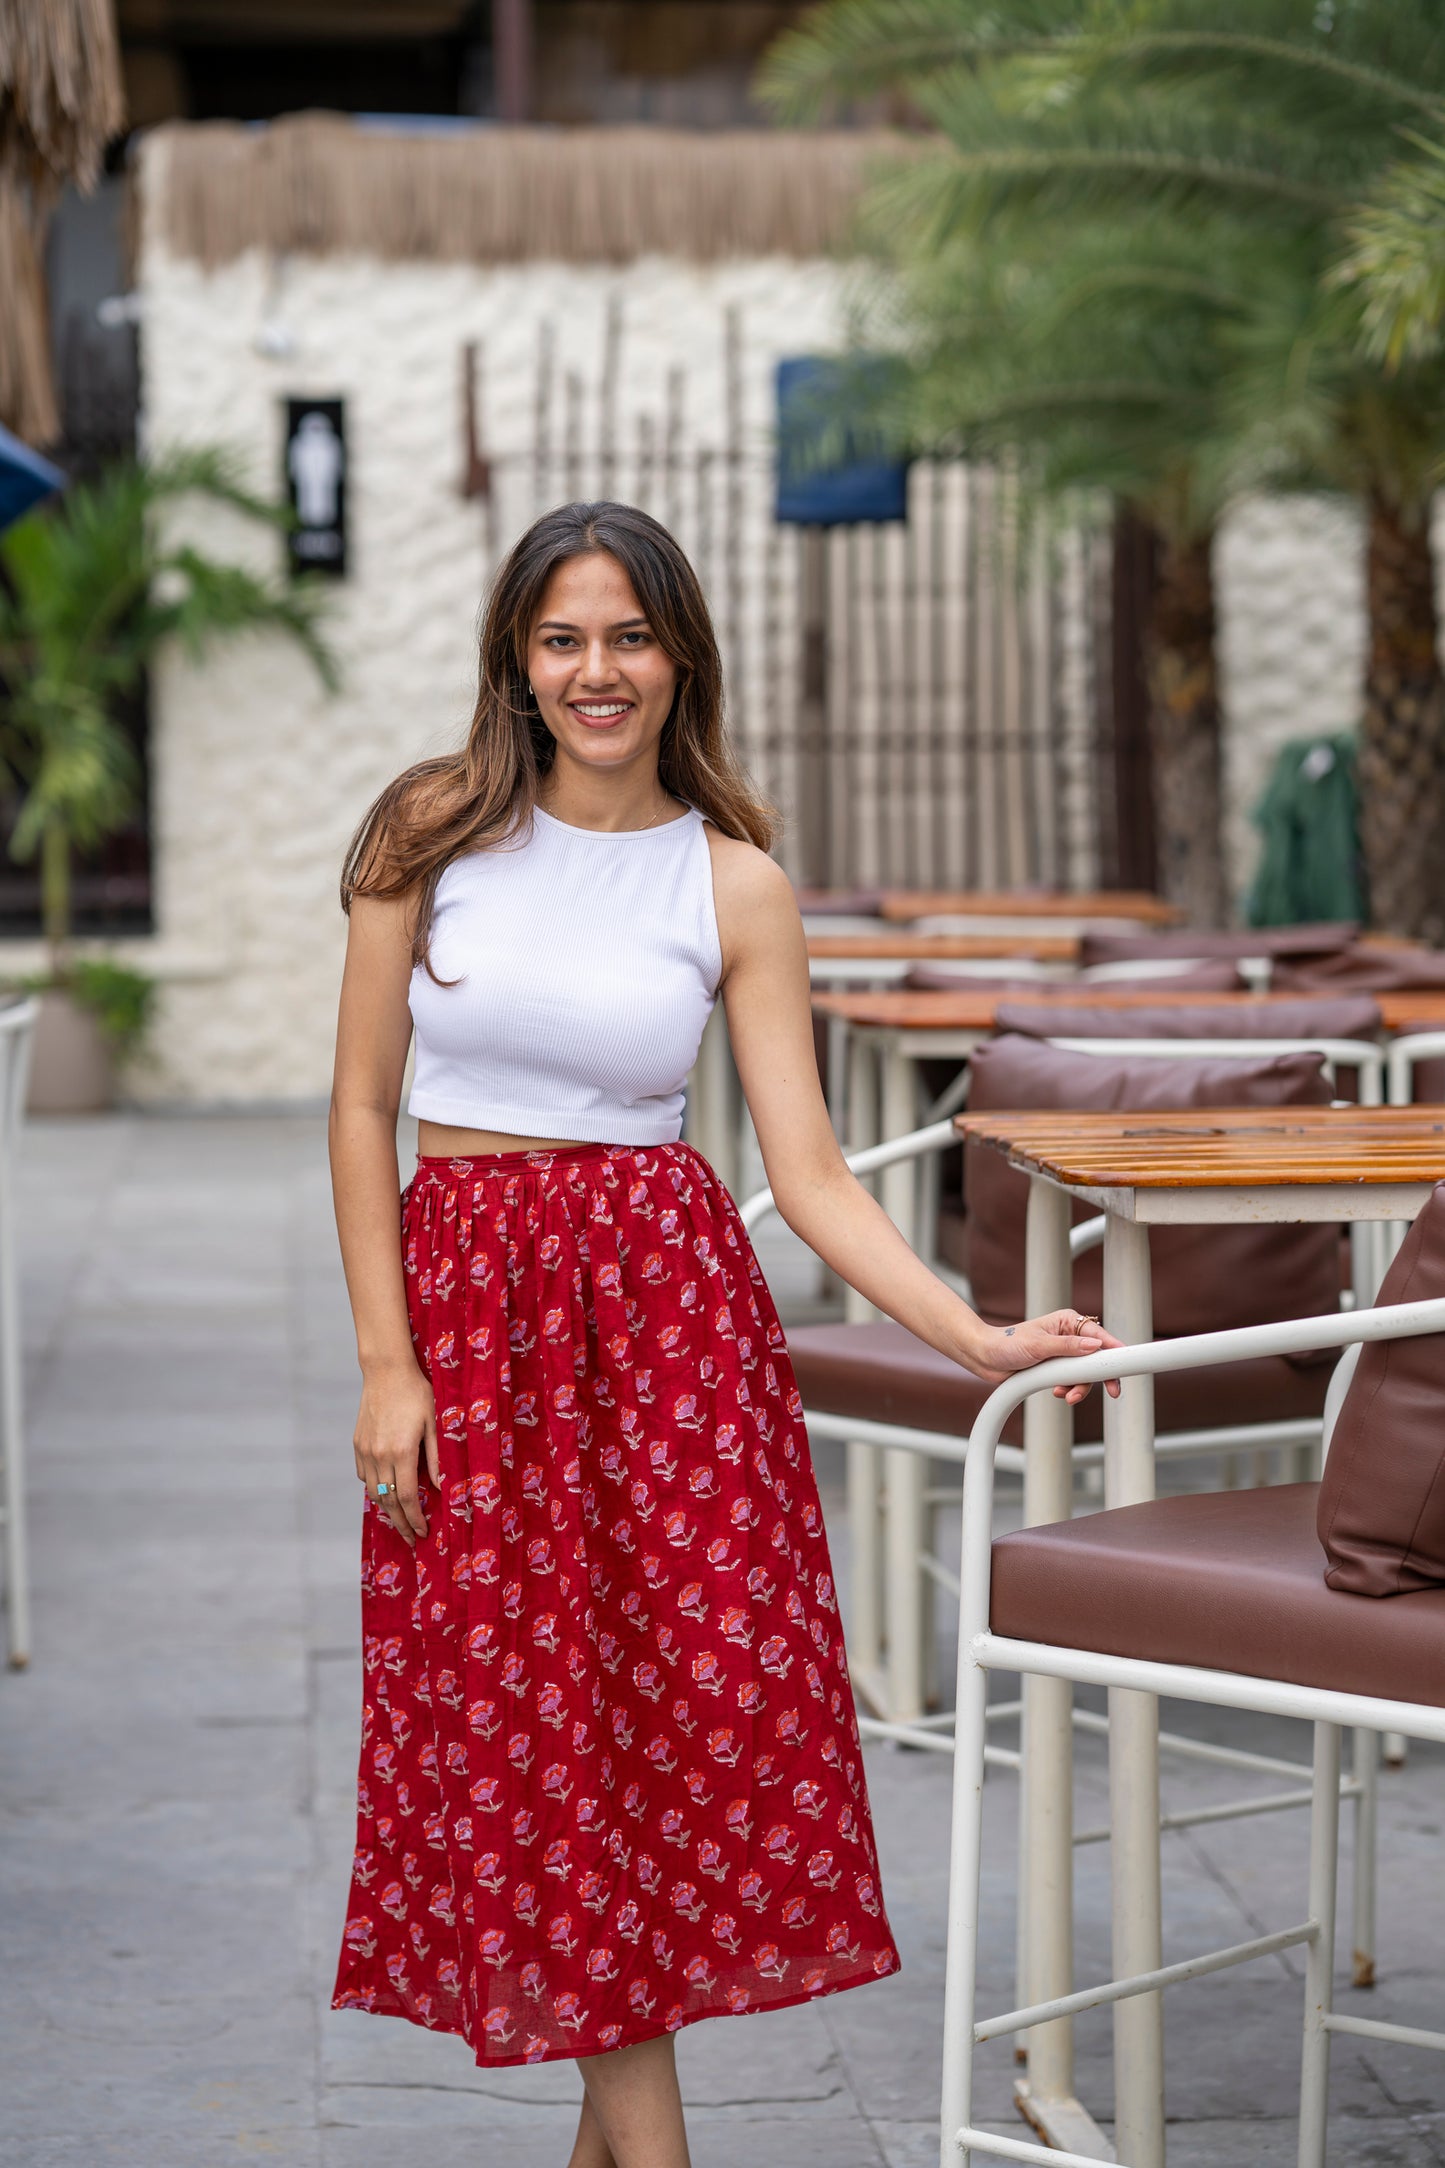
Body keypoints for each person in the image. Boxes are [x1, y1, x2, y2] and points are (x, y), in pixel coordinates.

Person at [327, 500, 1120, 2168]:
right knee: (521, 1735)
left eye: (627, 636)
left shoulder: (734, 881)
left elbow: (811, 1173)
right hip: (474, 1320)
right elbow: (358, 1105)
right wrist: (386, 1363)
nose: (595, 670)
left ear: (678, 653)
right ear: (517, 662)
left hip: (667, 1334)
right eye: (562, 639)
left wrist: (965, 1333)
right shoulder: (428, 829)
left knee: (656, 1738)